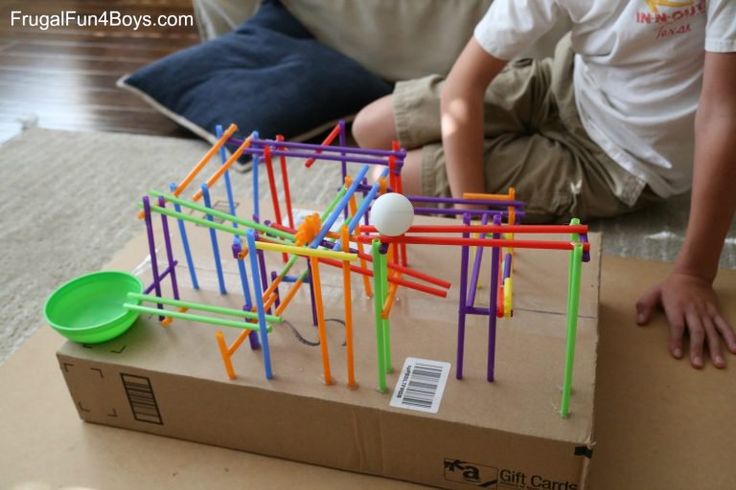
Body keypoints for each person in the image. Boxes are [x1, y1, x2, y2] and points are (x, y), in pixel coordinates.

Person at [351, 1, 736, 368]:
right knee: (369, 127)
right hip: (565, 83)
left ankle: (508, 152)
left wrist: (694, 273)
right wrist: (475, 214)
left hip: (625, 160)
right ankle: (507, 149)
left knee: (393, 178)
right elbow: (463, 85)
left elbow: (722, 113)